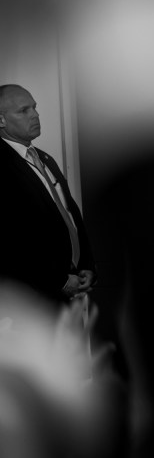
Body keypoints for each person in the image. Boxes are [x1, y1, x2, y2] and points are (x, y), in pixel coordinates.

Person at [0, 84, 96, 306]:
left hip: (70, 290)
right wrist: (57, 280)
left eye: (34, 107)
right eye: (24, 111)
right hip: (31, 300)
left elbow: (71, 215)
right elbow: (9, 240)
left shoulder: (44, 158)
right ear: (1, 120)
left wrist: (87, 267)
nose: (35, 114)